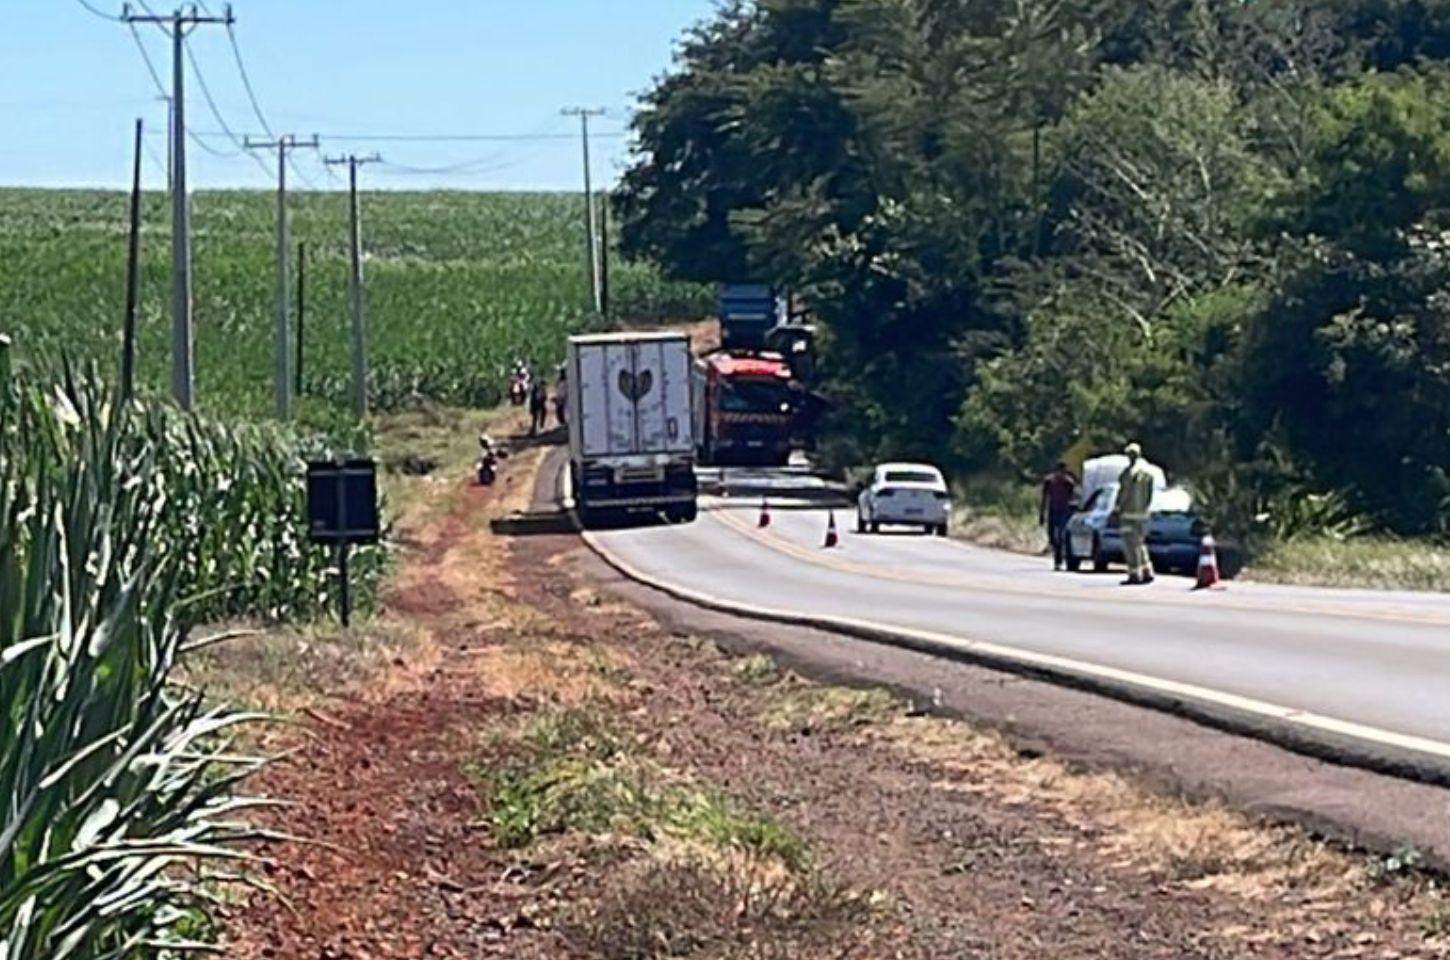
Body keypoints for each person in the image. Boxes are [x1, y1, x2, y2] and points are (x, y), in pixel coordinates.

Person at [1112, 442, 1157, 585]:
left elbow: (1124, 493)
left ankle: (1134, 574)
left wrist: (1117, 508)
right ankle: (1147, 571)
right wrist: (1145, 507)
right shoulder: (1148, 473)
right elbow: (1150, 494)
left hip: (1128, 514)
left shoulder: (1128, 473)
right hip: (1142, 514)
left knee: (1130, 545)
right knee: (1140, 543)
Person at [1039, 460, 1079, 571]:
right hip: (1052, 511)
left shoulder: (1068, 483)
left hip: (1064, 512)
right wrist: (1042, 514)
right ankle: (1057, 555)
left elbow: (1073, 497)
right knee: (1052, 536)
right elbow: (1044, 498)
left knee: (1060, 537)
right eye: (1059, 471)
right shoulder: (1049, 481)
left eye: (1062, 471)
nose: (1060, 473)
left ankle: (1059, 560)